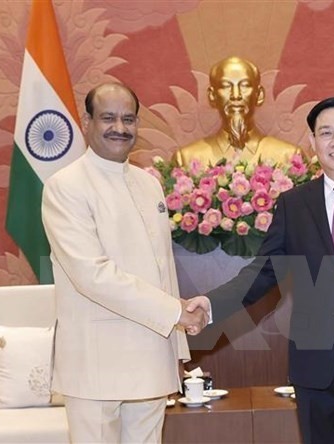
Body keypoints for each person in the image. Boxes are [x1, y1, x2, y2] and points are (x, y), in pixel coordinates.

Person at [187, 96, 334, 443]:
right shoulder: (293, 204)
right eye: (326, 133)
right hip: (314, 365)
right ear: (313, 141)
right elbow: (264, 272)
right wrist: (212, 304)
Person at [41, 82, 208, 443]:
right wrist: (175, 312)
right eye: (108, 118)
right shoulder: (65, 186)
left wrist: (176, 348)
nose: (120, 127)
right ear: (87, 122)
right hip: (97, 362)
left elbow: (163, 270)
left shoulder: (149, 185)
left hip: (151, 355)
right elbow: (91, 274)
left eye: (128, 119)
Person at [173, 56, 301, 167]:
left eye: (245, 85)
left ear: (259, 95)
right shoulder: (186, 159)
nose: (236, 95)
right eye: (225, 86)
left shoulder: (289, 157)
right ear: (212, 96)